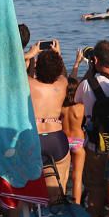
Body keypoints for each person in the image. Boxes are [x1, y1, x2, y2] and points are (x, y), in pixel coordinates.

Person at [74, 39, 109, 217]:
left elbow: (77, 101)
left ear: (94, 60)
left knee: (95, 187)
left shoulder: (88, 85)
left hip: (97, 147)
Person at [29, 45, 71, 198]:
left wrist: (30, 55)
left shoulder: (29, 84)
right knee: (61, 180)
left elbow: (14, 68)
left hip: (34, 137)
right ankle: (59, 212)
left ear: (38, 68)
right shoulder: (62, 84)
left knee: (30, 181)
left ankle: (35, 213)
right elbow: (62, 73)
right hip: (56, 138)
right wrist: (58, 54)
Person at [62, 77, 86, 205]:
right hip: (78, 142)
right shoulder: (81, 107)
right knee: (77, 177)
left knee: (63, 176)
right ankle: (76, 205)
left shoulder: (61, 108)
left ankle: (61, 203)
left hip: (63, 141)